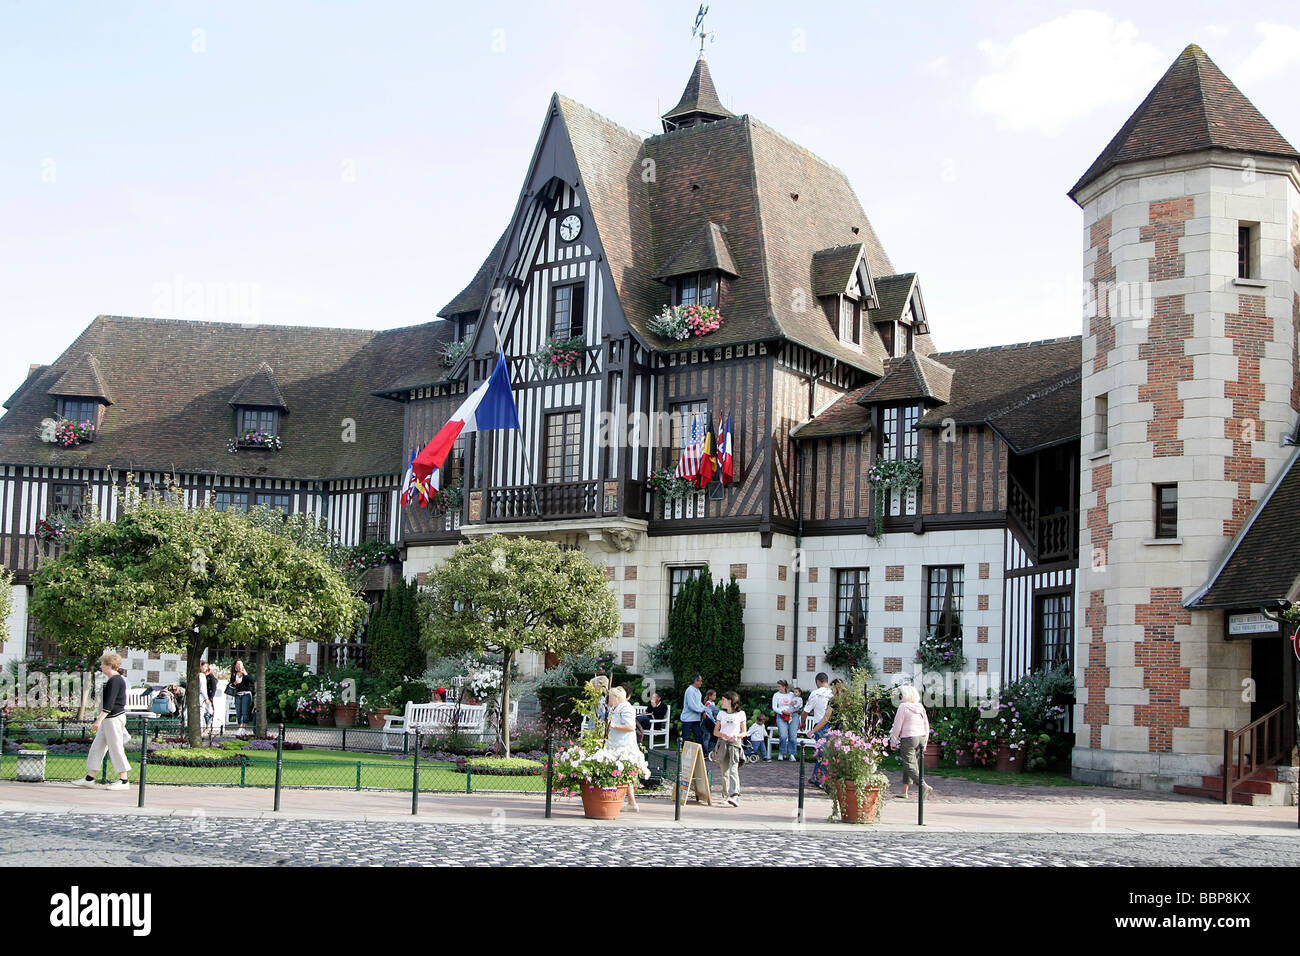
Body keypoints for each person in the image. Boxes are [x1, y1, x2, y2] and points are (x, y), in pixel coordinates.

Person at [75, 652, 131, 790]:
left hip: (113, 719)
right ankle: (89, 778)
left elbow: (110, 704)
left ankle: (124, 780)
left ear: (109, 665)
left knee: (116, 747)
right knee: (97, 747)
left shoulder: (115, 681)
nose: (100, 666)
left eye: (102, 664)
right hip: (109, 719)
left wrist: (98, 720)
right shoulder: (114, 680)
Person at [890, 685, 934, 798]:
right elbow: (926, 725)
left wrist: (893, 742)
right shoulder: (920, 707)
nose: (901, 696)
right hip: (921, 737)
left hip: (909, 738)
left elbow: (897, 726)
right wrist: (925, 742)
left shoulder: (903, 707)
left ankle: (924, 786)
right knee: (911, 764)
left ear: (906, 695)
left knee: (909, 765)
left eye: (902, 694)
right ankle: (904, 791)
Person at [605, 686, 641, 813]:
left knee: (623, 774)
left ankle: (627, 802)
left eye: (610, 697)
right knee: (622, 774)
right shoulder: (616, 708)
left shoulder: (626, 708)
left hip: (624, 747)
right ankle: (630, 802)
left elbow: (631, 727)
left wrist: (614, 726)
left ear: (616, 698)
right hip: (615, 744)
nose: (607, 699)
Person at [713, 691, 747, 807]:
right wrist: (723, 735)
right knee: (724, 772)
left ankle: (735, 795)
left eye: (724, 700)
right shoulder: (721, 714)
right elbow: (715, 732)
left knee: (733, 769)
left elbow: (744, 732)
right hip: (723, 743)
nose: (722, 702)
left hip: (734, 744)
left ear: (730, 701)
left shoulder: (741, 714)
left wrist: (736, 736)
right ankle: (726, 794)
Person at [804, 673, 834, 789]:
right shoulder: (831, 694)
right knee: (823, 753)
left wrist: (803, 723)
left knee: (823, 754)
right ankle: (816, 777)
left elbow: (806, 711)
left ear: (817, 681)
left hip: (820, 726)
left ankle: (821, 779)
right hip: (830, 727)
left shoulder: (816, 693)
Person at [771, 680, 799, 761]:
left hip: (792, 715)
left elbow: (797, 703)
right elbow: (774, 707)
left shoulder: (791, 694)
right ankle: (782, 752)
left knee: (793, 736)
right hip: (782, 716)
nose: (778, 688)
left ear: (784, 687)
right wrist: (782, 711)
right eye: (778, 686)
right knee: (783, 735)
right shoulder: (776, 695)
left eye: (779, 686)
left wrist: (794, 705)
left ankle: (792, 753)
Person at [228, 659, 254, 734]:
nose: (239, 666)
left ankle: (243, 728)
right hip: (238, 695)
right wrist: (235, 683)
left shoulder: (246, 673)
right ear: (235, 666)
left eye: (241, 664)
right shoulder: (234, 674)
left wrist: (245, 674)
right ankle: (239, 728)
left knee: (244, 711)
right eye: (238, 664)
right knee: (238, 712)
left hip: (246, 694)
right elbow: (231, 685)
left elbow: (251, 681)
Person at [680, 674, 705, 746]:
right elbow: (692, 706)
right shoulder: (690, 690)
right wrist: (702, 710)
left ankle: (702, 753)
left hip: (696, 718)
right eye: (700, 681)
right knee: (685, 736)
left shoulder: (698, 691)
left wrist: (705, 708)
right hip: (688, 719)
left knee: (698, 736)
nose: (701, 683)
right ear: (695, 681)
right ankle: (681, 752)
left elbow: (699, 703)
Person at [701, 690, 720, 759]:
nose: (715, 696)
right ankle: (705, 752)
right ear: (710, 696)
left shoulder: (713, 703)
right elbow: (706, 712)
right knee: (707, 737)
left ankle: (709, 751)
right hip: (707, 723)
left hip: (712, 723)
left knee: (713, 737)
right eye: (714, 695)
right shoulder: (708, 704)